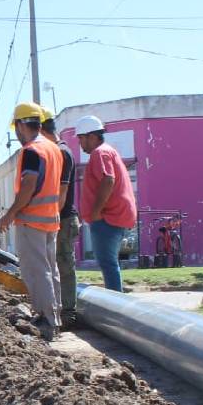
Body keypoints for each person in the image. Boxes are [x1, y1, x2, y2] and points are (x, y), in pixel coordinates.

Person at [0, 102, 63, 340]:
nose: (16, 133)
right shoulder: (53, 148)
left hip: (32, 220)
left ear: (20, 125)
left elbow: (28, 186)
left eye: (16, 126)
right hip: (50, 219)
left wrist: (11, 213)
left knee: (37, 271)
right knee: (50, 269)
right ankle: (54, 316)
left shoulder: (31, 151)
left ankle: (46, 320)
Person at [76, 115, 137, 292]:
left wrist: (95, 211)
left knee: (108, 264)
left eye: (81, 139)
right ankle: (116, 300)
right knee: (110, 263)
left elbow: (108, 180)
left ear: (92, 136)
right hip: (114, 216)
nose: (81, 144)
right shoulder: (108, 151)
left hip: (108, 218)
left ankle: (116, 304)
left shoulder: (100, 153)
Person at [41, 108, 79, 324]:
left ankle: (68, 314)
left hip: (62, 219)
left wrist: (51, 219)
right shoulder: (56, 152)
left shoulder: (62, 153)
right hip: (59, 218)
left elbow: (61, 193)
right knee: (56, 265)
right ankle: (59, 311)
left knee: (64, 266)